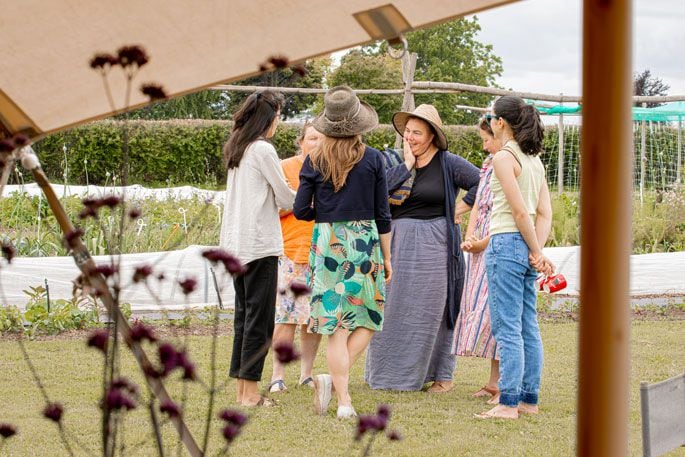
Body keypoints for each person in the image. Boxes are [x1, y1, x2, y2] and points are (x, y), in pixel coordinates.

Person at [364, 104, 480, 392]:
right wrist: (405, 166)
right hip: (397, 244)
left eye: (417, 132)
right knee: (393, 307)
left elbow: (484, 183)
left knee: (433, 310)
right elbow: (376, 193)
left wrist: (458, 209)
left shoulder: (448, 163)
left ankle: (442, 376)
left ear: (432, 136)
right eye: (407, 132)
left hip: (436, 245)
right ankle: (389, 376)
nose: (410, 137)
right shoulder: (391, 160)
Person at [293, 86, 392, 419]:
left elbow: (299, 209)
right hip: (364, 241)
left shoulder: (314, 159)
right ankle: (340, 394)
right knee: (370, 316)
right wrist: (388, 257)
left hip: (327, 241)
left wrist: (321, 214)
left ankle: (343, 399)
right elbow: (383, 214)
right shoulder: (374, 159)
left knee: (336, 325)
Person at [476, 95, 555, 420]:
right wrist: (537, 251)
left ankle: (508, 402)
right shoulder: (534, 160)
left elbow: (520, 211)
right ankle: (528, 399)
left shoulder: (504, 159)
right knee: (527, 325)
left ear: (500, 123)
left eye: (491, 116)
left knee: (507, 327)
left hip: (507, 244)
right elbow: (544, 213)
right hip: (524, 246)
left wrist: (535, 251)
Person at [219, 90, 295, 407]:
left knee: (244, 318)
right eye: (278, 116)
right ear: (269, 117)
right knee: (259, 322)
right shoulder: (263, 149)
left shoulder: (239, 147)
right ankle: (250, 395)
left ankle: (243, 392)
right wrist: (308, 197)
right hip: (260, 245)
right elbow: (285, 198)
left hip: (236, 245)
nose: (279, 122)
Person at [269, 122, 323, 393]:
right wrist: (299, 204)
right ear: (301, 141)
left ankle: (306, 374)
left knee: (313, 319)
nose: (317, 143)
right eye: (313, 138)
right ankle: (277, 376)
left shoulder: (329, 170)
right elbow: (272, 207)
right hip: (290, 251)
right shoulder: (285, 167)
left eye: (322, 139)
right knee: (286, 317)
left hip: (321, 253)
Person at [452, 117, 501, 404]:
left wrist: (483, 241)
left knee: (496, 314)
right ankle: (493, 381)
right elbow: (478, 203)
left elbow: (503, 212)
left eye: (486, 140)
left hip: (495, 240)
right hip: (480, 246)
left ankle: (505, 381)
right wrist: (469, 236)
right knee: (482, 312)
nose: (484, 146)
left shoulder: (509, 165)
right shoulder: (488, 165)